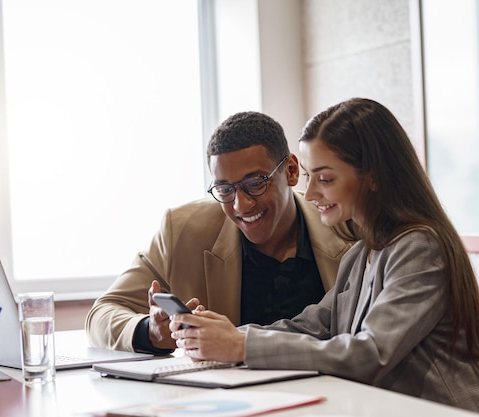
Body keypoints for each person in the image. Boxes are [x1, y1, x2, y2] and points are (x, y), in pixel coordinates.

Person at [169, 98, 479, 414]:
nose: (311, 192)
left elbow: (371, 353)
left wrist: (240, 347)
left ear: (373, 177)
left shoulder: (419, 248)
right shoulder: (361, 253)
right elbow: (313, 326)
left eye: (325, 178)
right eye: (311, 176)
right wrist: (226, 335)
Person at [85, 111, 354, 354]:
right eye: (225, 189)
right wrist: (150, 331)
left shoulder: (345, 225)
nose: (241, 204)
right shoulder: (182, 230)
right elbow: (102, 313)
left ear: (291, 171)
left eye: (255, 183)